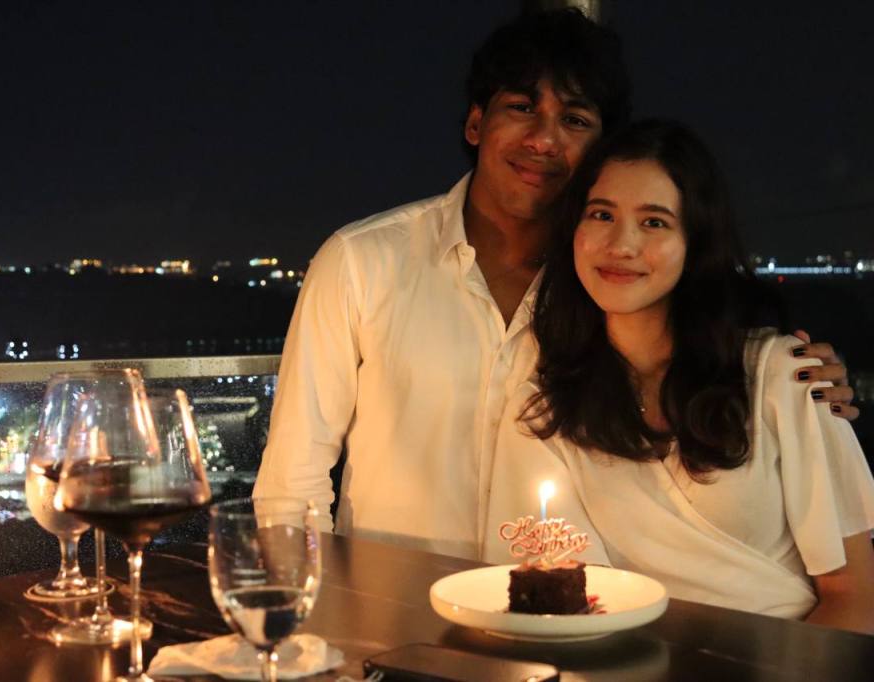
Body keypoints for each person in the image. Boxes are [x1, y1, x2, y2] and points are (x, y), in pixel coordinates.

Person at [253, 9, 855, 561]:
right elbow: (292, 486)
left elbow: (702, 355)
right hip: (390, 615)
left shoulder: (611, 285)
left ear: (600, 148)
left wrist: (792, 380)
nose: (544, 140)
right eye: (522, 108)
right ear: (475, 122)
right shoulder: (362, 262)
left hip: (557, 619)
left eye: (574, 119)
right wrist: (318, 617)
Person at [524, 120, 874, 631]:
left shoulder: (779, 375)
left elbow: (856, 598)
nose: (621, 244)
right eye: (601, 214)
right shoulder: (554, 395)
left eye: (654, 222)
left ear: (695, 243)